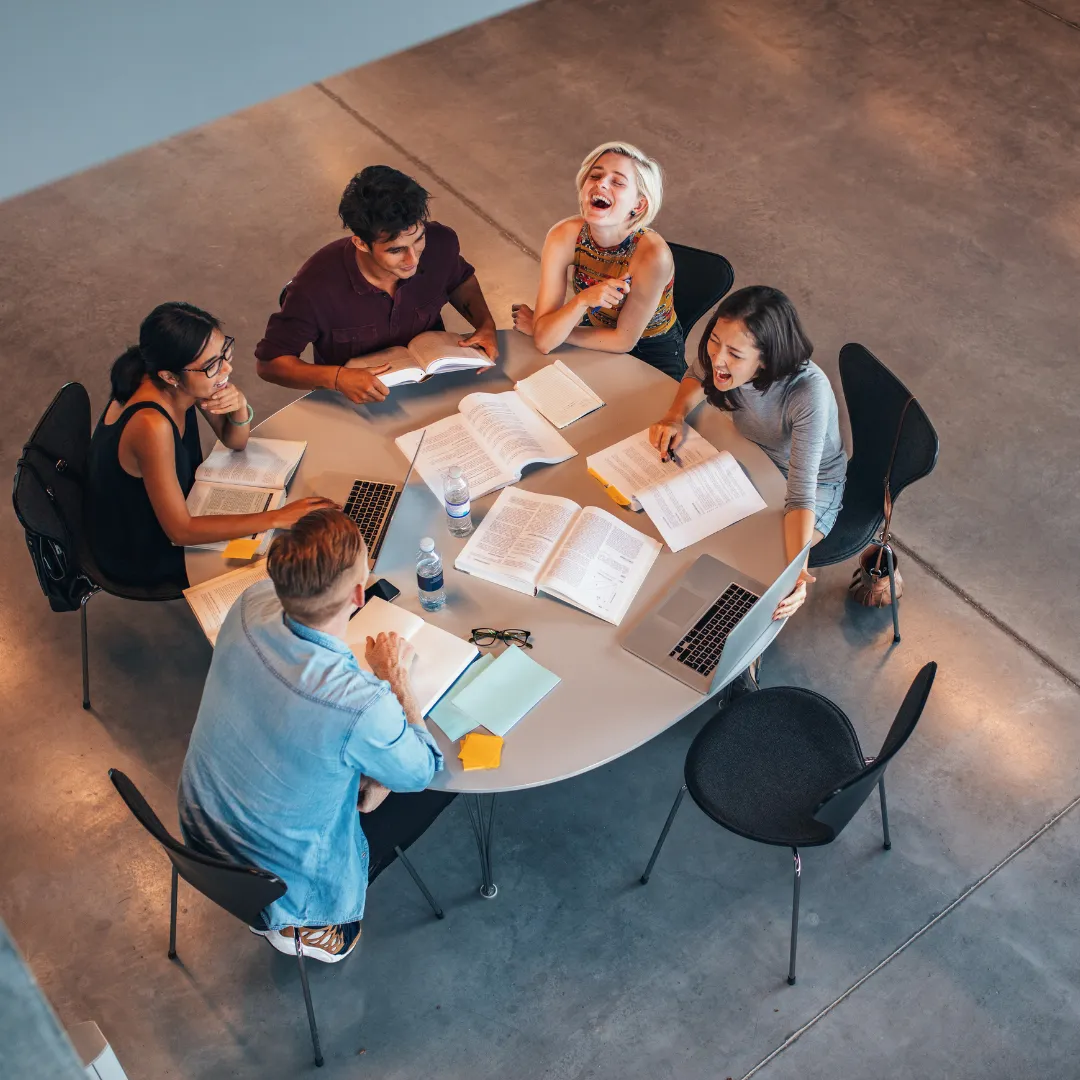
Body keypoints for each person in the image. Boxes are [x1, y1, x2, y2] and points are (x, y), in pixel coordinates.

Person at [178, 508, 452, 963]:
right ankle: (309, 926)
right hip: (277, 885)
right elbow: (421, 769)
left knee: (364, 776)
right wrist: (395, 678)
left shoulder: (249, 603)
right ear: (360, 594)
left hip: (202, 828)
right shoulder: (358, 703)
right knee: (433, 789)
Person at [86, 302, 332, 590]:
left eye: (224, 352)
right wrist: (277, 517)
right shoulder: (152, 425)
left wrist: (239, 408)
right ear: (170, 376)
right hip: (140, 546)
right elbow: (180, 531)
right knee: (280, 557)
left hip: (171, 508)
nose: (227, 368)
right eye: (212, 364)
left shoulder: (180, 379)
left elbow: (235, 441)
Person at [649, 286, 846, 621]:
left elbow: (800, 496)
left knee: (757, 563)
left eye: (735, 355)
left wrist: (796, 571)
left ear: (766, 358)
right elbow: (698, 374)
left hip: (811, 485)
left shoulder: (808, 391)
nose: (717, 358)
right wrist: (675, 415)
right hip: (752, 457)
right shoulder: (722, 356)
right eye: (714, 340)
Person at [255, 165, 499, 404]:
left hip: (435, 389)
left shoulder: (441, 243)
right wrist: (338, 378)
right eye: (396, 250)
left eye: (418, 239)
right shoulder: (314, 288)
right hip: (357, 402)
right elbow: (270, 364)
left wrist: (485, 325)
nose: (413, 259)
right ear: (361, 244)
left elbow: (460, 279)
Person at [512, 141, 684, 379]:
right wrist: (582, 301)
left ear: (638, 204)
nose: (601, 183)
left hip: (652, 351)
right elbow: (544, 341)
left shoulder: (653, 255)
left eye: (618, 182)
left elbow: (623, 341)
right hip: (594, 333)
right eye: (595, 176)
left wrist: (554, 329)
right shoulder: (563, 235)